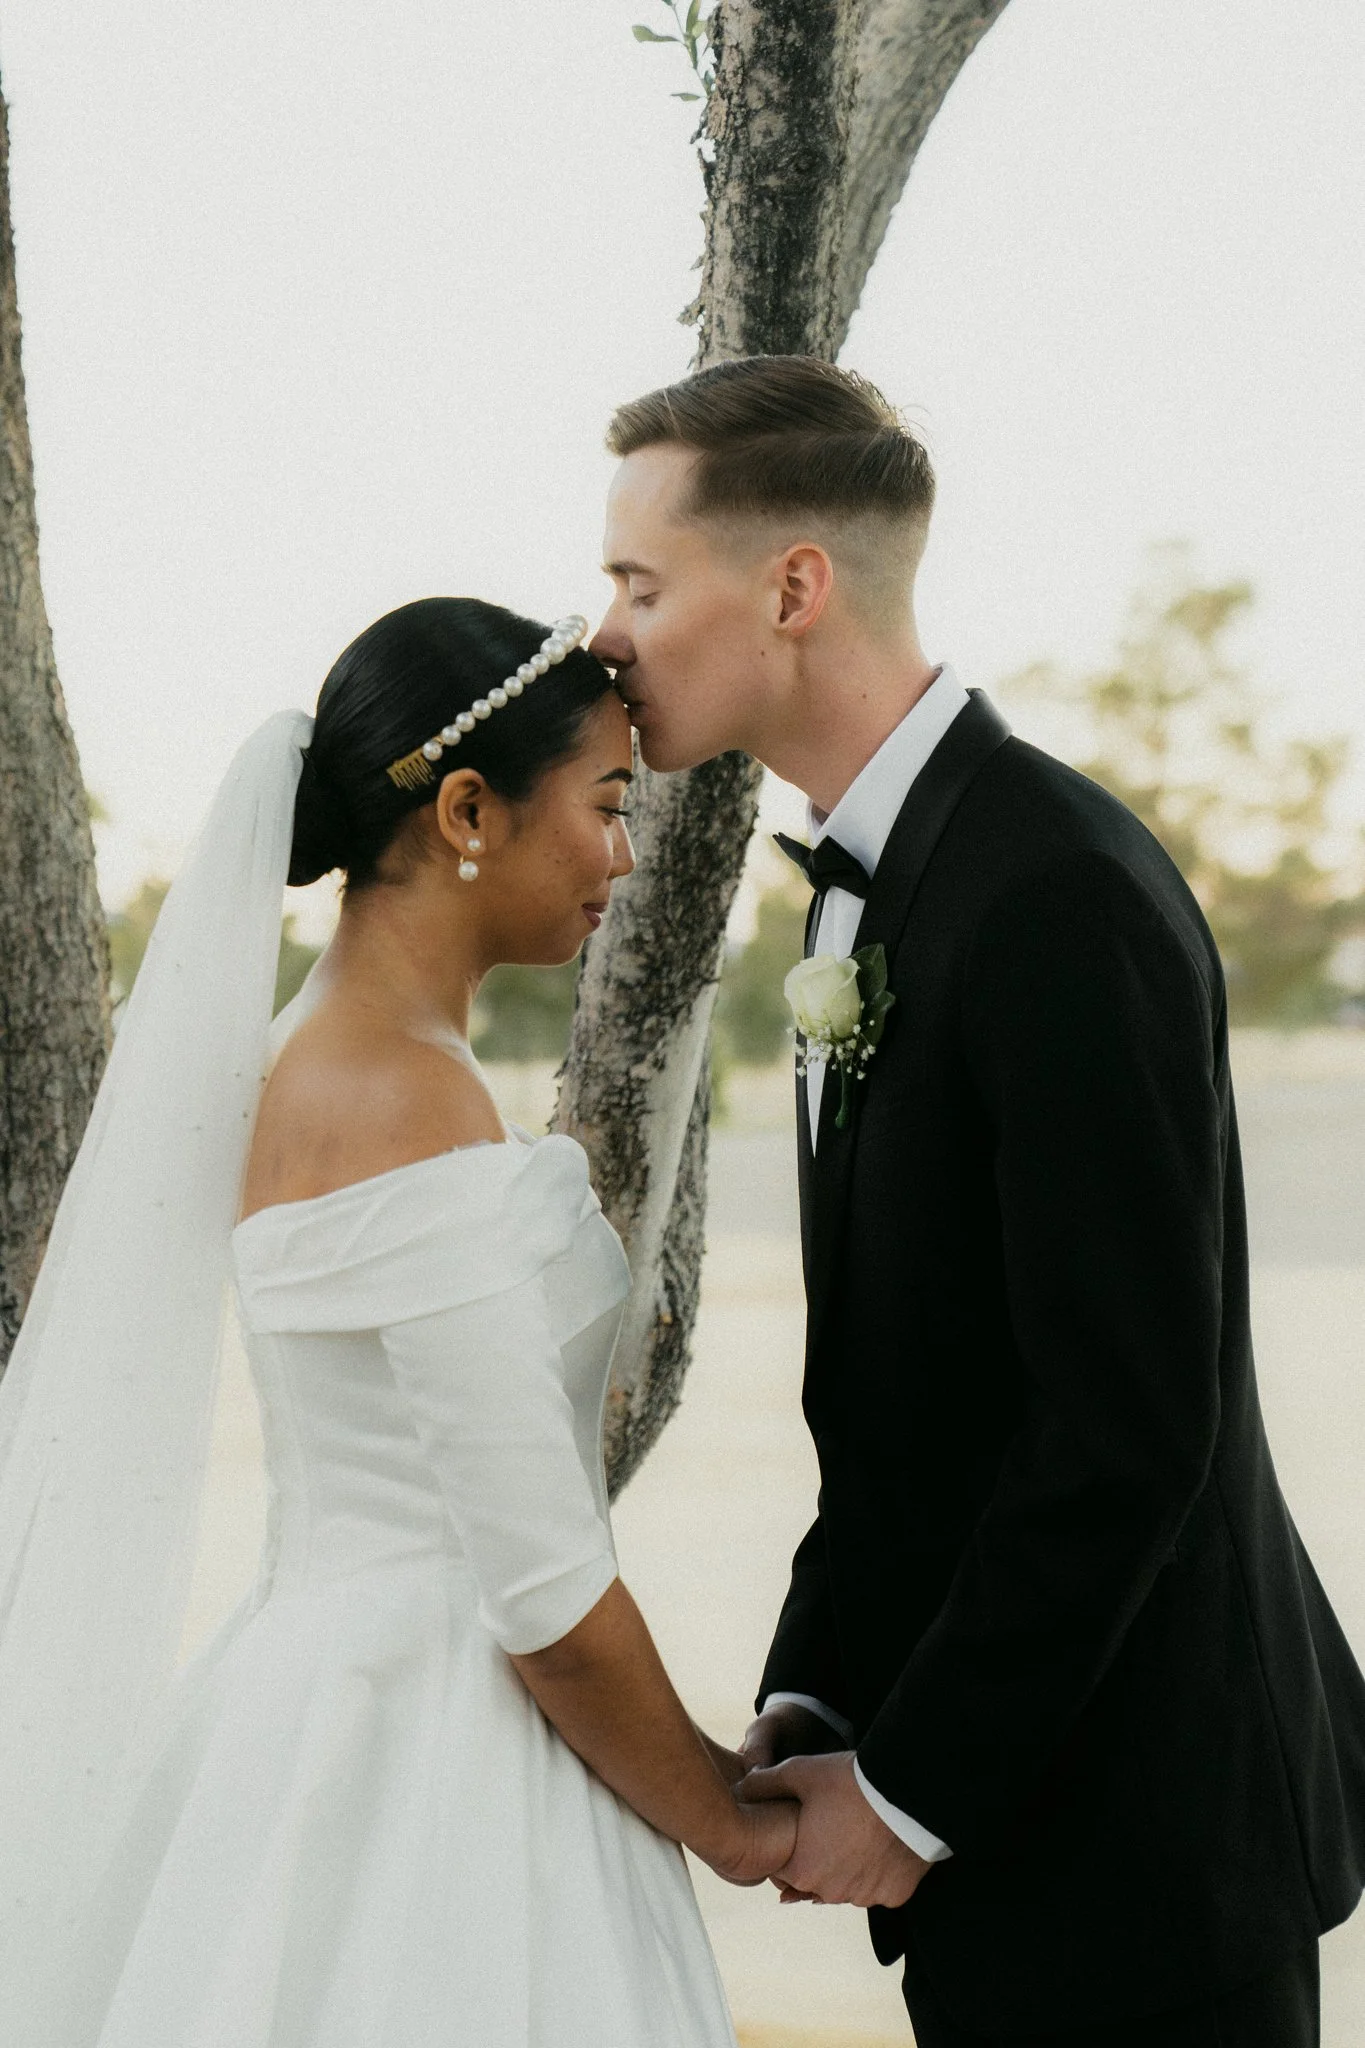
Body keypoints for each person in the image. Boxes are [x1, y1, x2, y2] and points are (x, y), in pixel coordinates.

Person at [590, 355, 1365, 2047]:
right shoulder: (867, 898)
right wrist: (819, 1686)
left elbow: (1127, 1423)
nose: (606, 638)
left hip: (1147, 1848)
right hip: (1010, 1827)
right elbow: (911, 1397)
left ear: (795, 587)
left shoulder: (1056, 893)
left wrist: (915, 1787)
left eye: (641, 584)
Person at [0, 597, 793, 2046]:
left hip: (309, 1702)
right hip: (447, 1752)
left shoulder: (308, 1055)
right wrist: (728, 1820)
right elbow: (544, 1596)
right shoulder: (402, 1096)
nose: (623, 854)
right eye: (607, 804)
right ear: (468, 809)